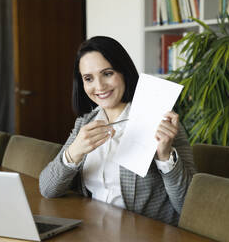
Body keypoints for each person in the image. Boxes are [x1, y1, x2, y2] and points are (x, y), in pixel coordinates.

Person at [39, 36, 196, 226]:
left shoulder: (160, 120)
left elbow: (188, 206)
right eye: (88, 78)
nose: (99, 86)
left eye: (107, 73)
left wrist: (165, 157)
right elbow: (48, 189)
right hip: (92, 227)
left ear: (123, 72)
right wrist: (74, 152)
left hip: (143, 234)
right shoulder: (85, 123)